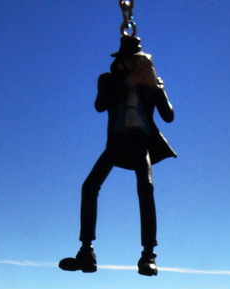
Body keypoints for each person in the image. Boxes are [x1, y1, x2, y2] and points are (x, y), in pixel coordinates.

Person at [60, 35, 175, 275]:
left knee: (146, 188)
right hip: (117, 140)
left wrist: (156, 87)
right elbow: (100, 104)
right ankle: (86, 252)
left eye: (138, 61)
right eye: (130, 60)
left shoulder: (152, 83)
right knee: (90, 186)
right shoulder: (109, 80)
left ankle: (148, 255)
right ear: (121, 61)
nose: (134, 65)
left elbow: (168, 116)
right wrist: (126, 83)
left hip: (141, 140)